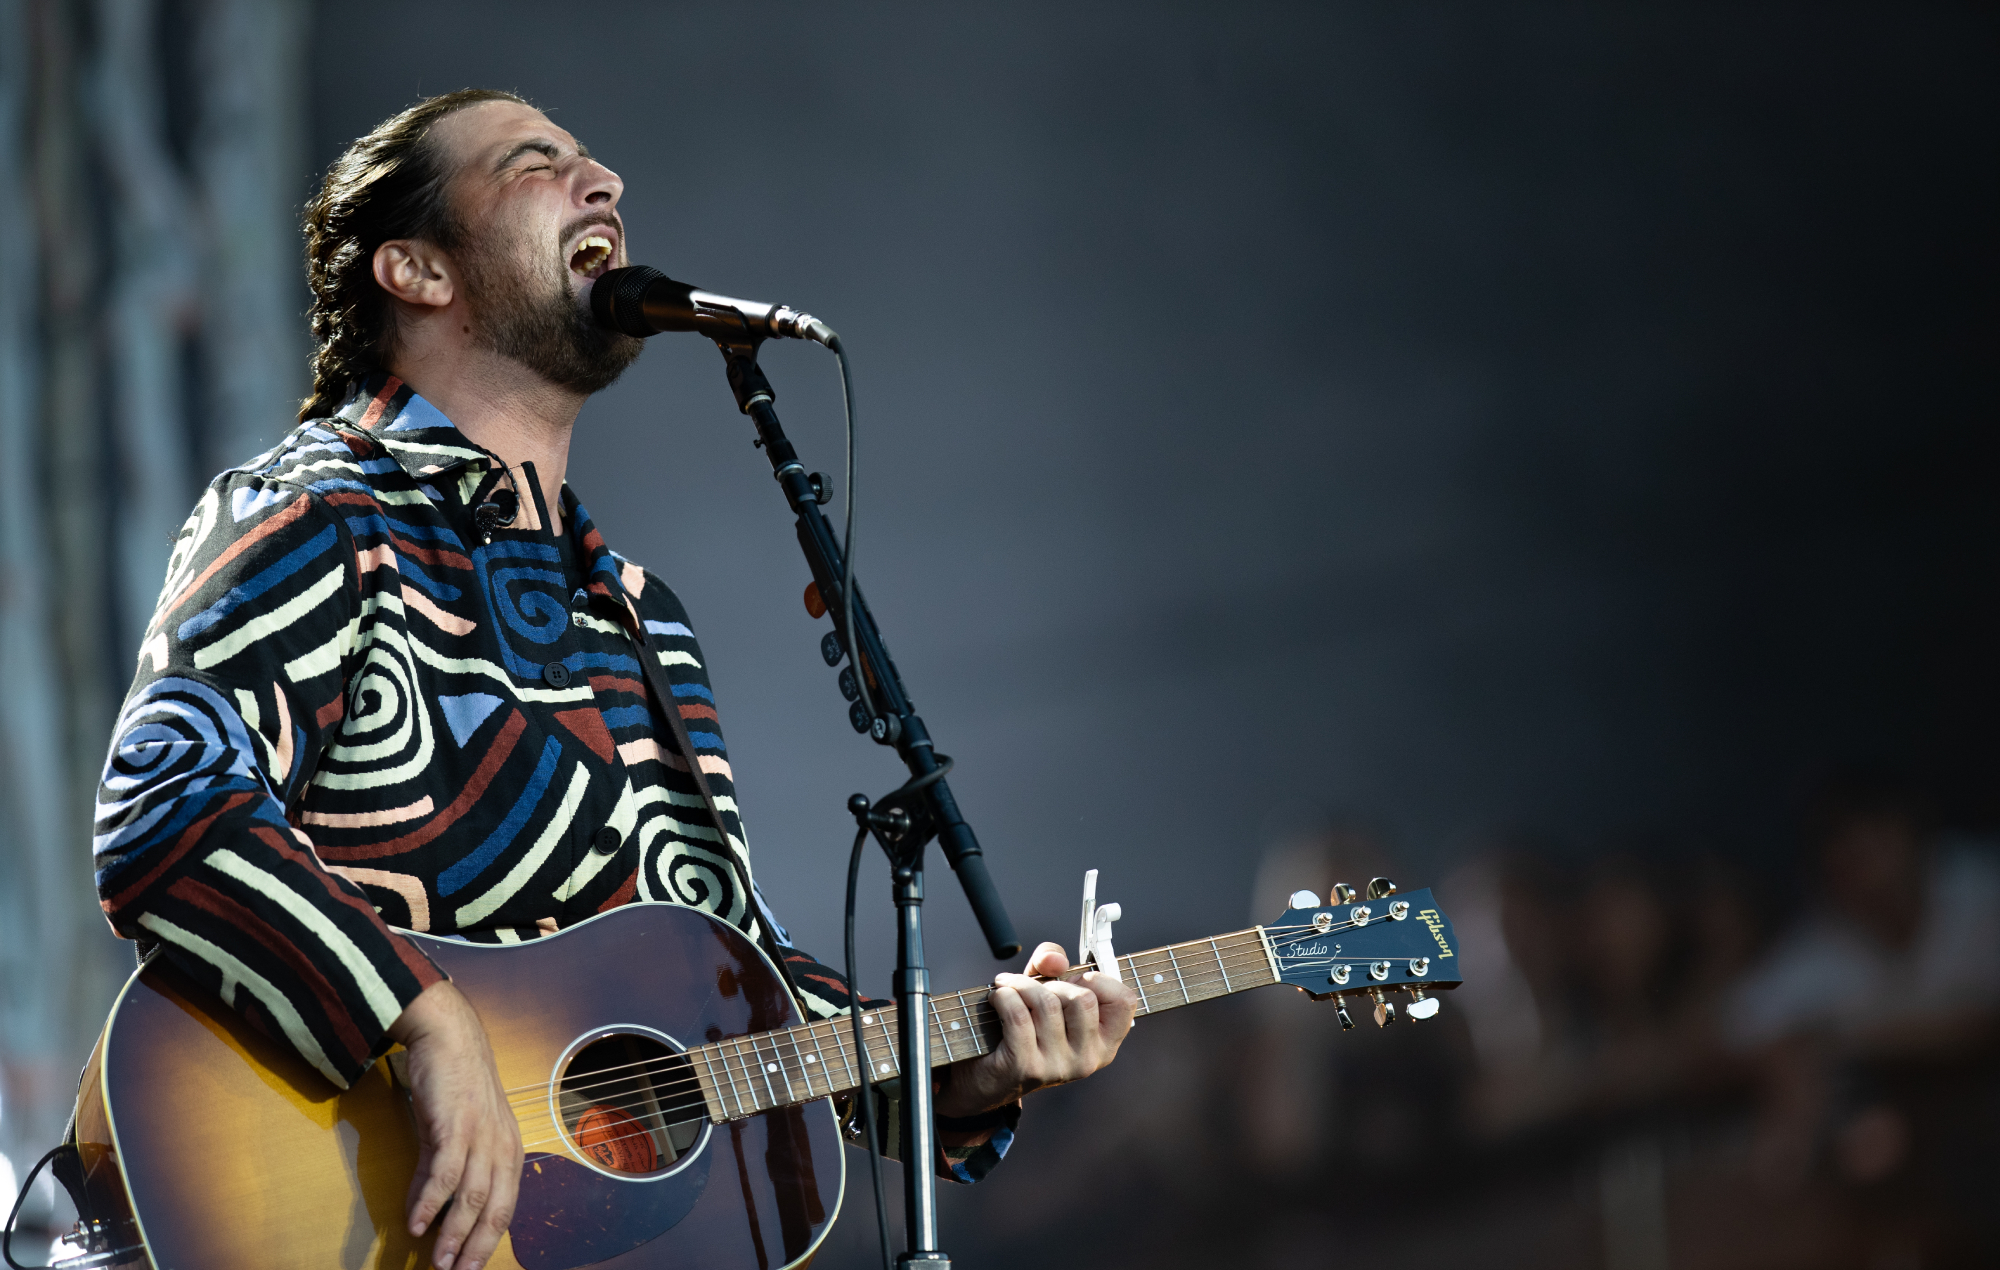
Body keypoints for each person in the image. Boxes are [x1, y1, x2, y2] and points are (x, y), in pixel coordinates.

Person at [91, 88, 1136, 1270]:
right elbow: (165, 808)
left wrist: (967, 1072)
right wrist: (427, 1024)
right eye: (537, 164)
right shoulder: (320, 511)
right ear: (417, 269)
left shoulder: (639, 619)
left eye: (595, 162)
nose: (606, 184)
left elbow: (740, 994)